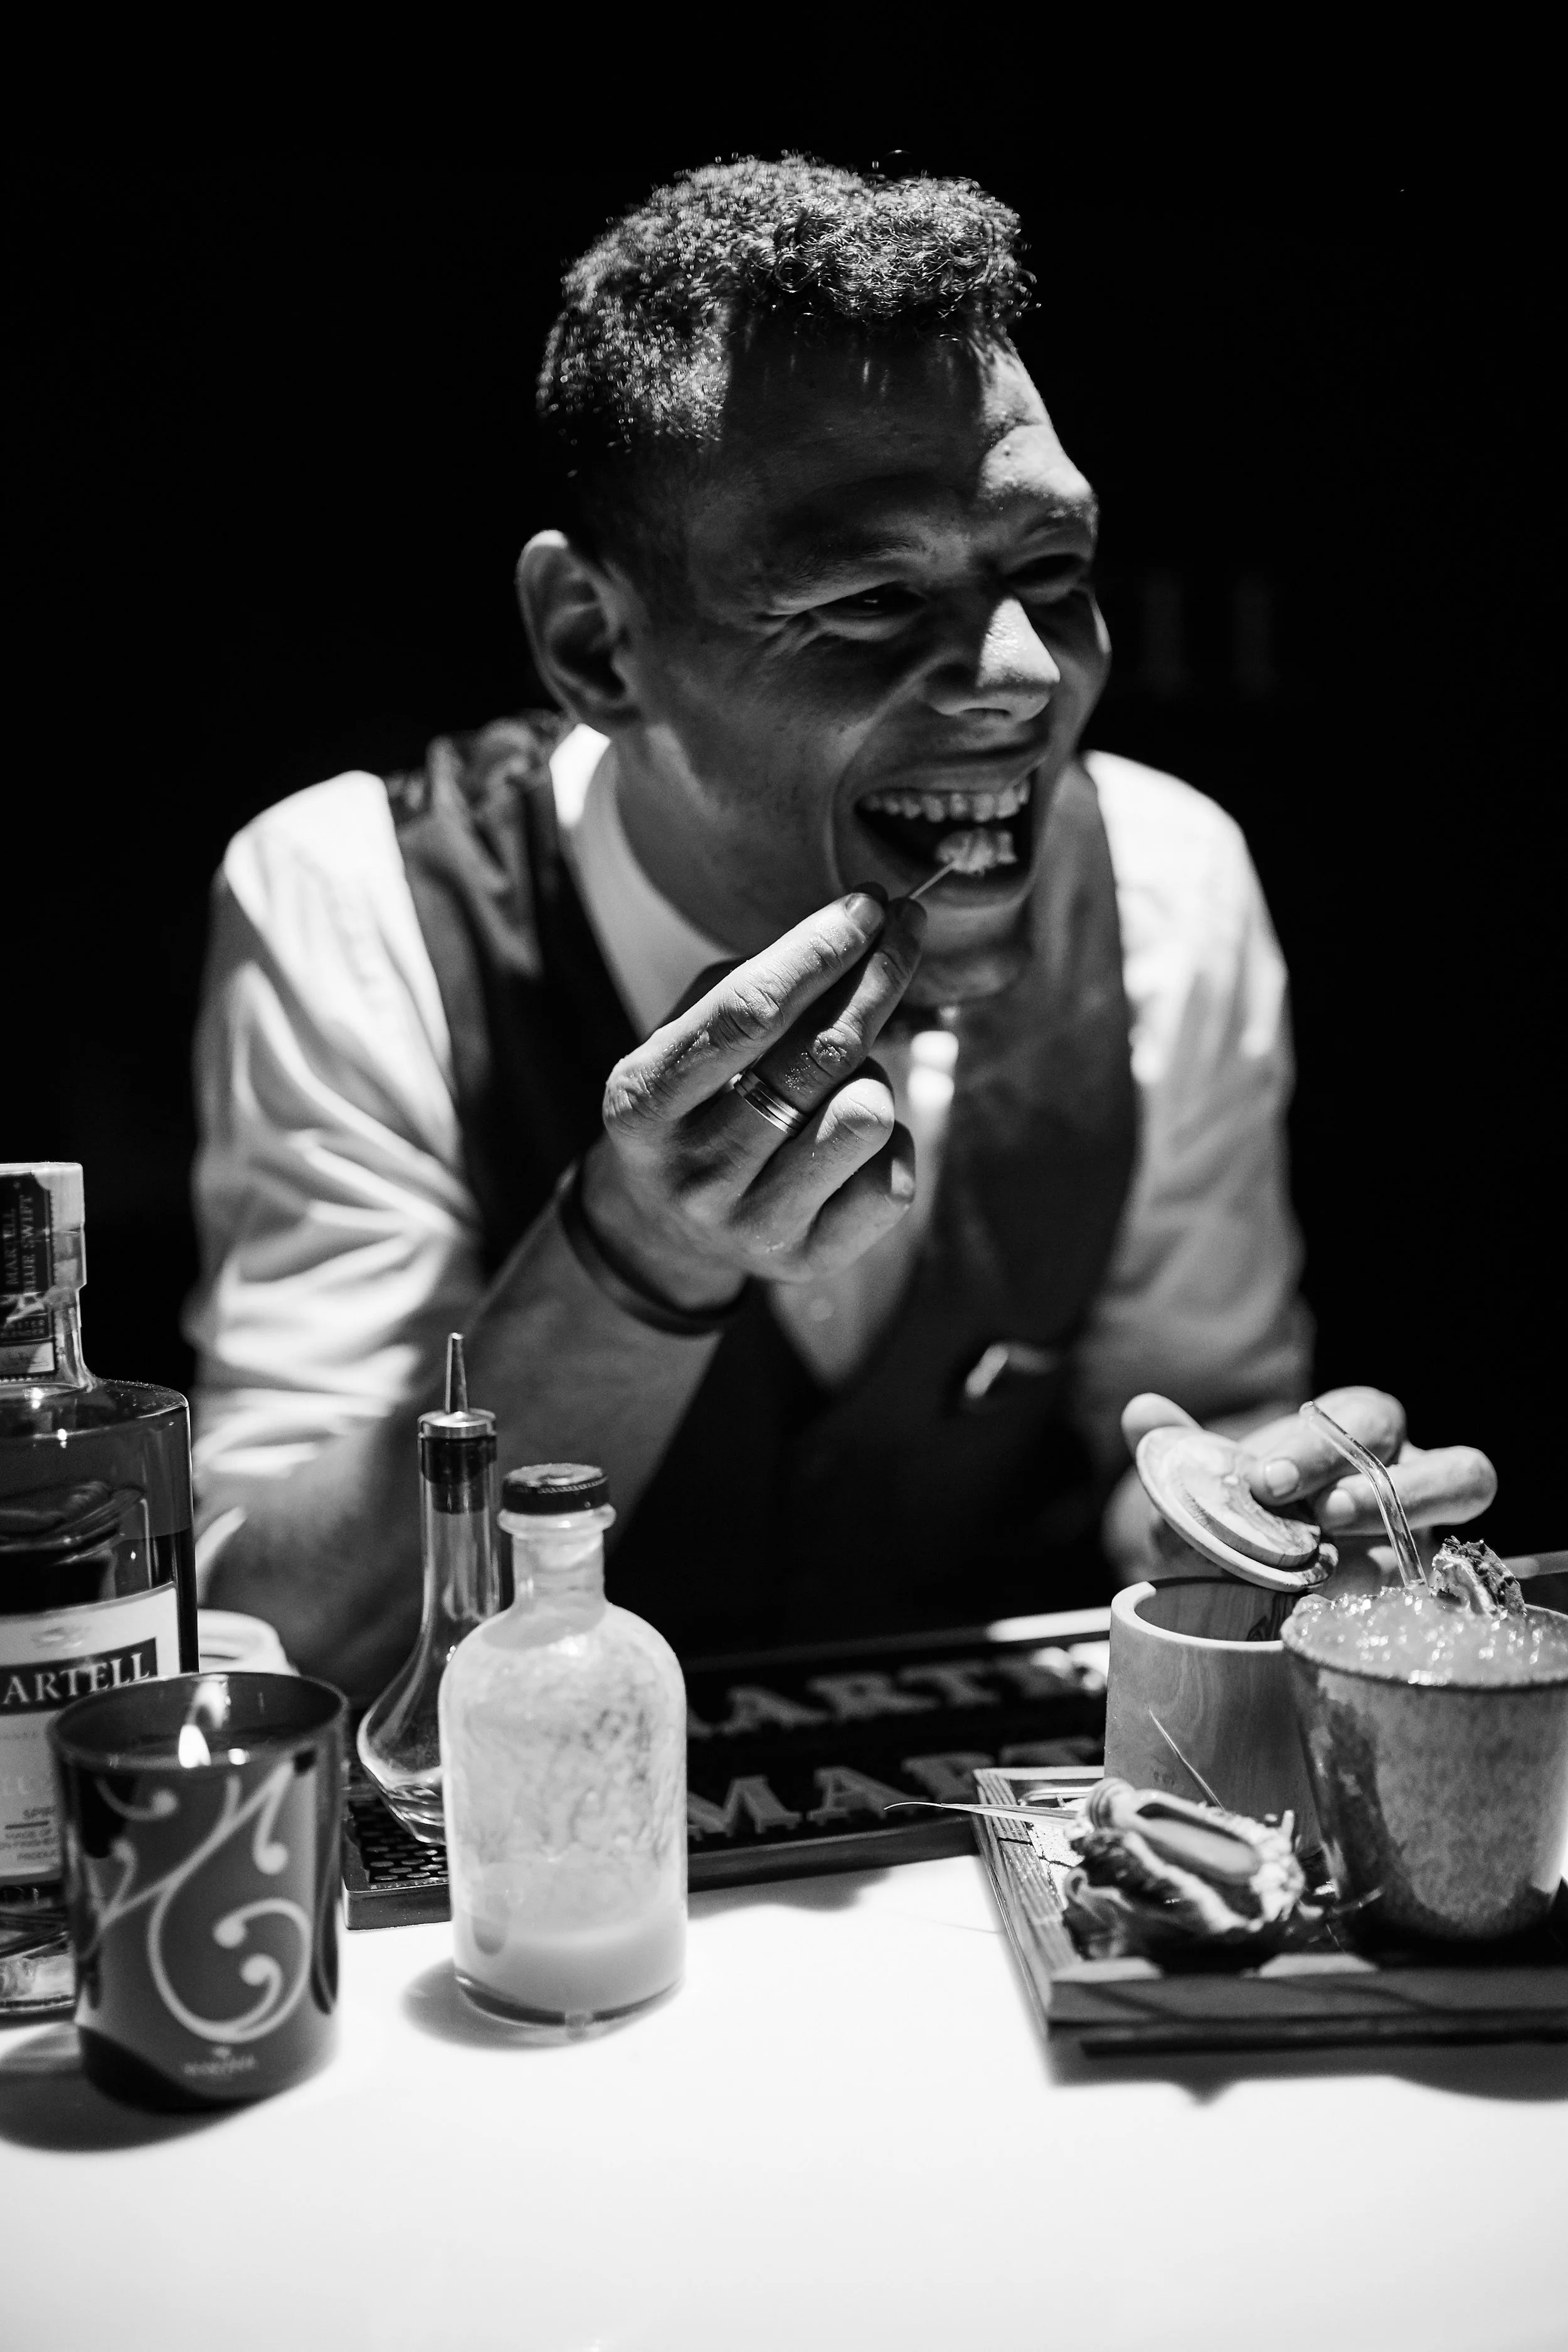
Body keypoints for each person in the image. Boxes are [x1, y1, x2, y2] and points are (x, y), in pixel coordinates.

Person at [187, 159, 1495, 1696]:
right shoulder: (364, 899)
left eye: (1050, 572)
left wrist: (1249, 1522)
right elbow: (281, 1627)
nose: (1018, 673)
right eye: (869, 597)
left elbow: (1175, 1433)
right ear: (596, 645)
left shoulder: (1161, 878)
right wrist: (635, 1254)